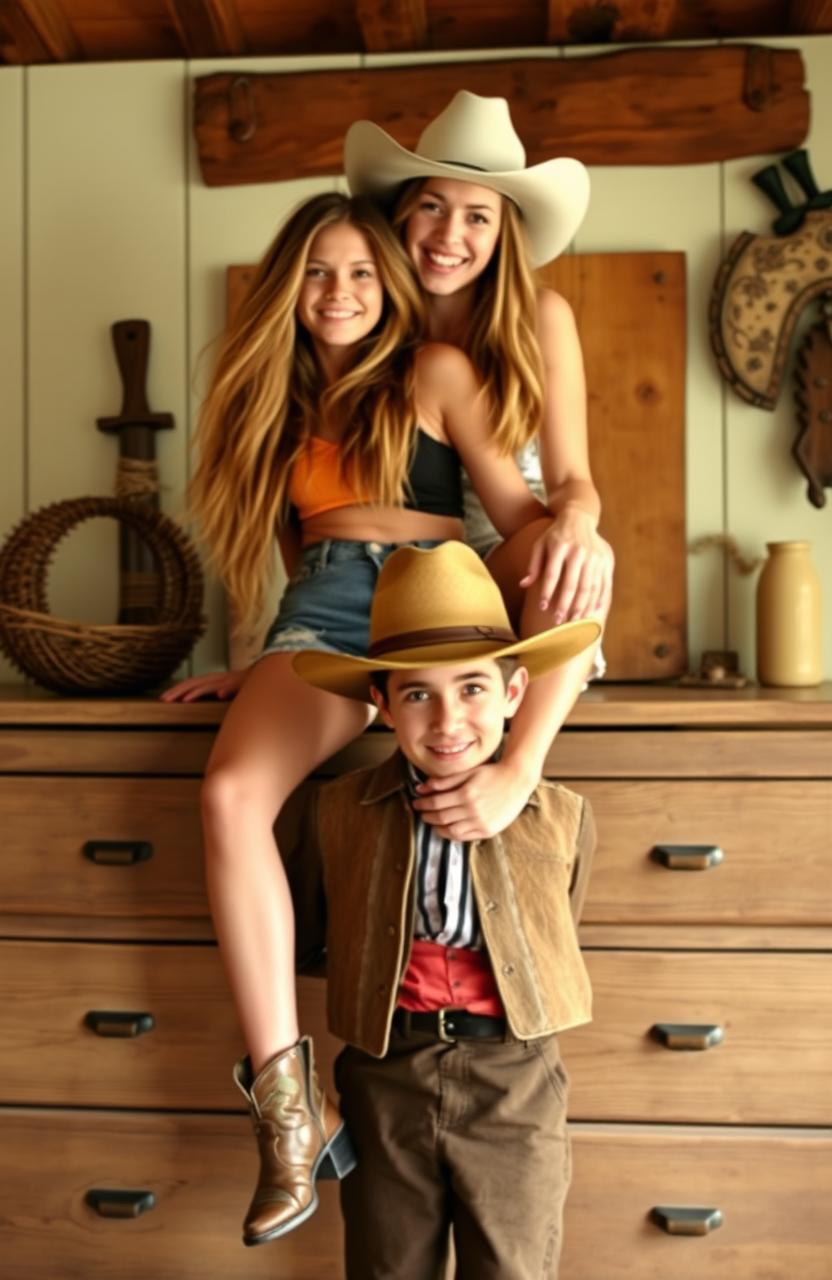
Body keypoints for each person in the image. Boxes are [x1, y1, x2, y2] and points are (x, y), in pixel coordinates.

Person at [161, 190, 592, 1245]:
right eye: (317, 272)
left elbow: (523, 513)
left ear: (389, 285)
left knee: (547, 604)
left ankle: (514, 767)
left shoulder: (434, 374)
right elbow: (284, 546)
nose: (341, 291)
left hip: (435, 602)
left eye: (361, 271)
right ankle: (290, 1111)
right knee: (228, 795)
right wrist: (257, 664)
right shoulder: (268, 393)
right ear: (287, 290)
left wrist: (578, 533)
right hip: (319, 613)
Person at [289, 540, 600, 1279]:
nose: (448, 719)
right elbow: (310, 934)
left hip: (514, 1080)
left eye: (472, 688)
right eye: (417, 694)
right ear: (382, 704)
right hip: (384, 1074)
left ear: (515, 694)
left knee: (514, 1264)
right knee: (386, 1264)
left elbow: (557, 926)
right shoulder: (336, 812)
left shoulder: (560, 817)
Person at [344, 90, 614, 841]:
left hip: (505, 573)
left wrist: (581, 524)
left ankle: (519, 769)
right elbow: (312, 493)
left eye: (477, 216)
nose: (449, 234)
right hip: (392, 587)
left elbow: (568, 482)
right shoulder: (365, 323)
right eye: (433, 206)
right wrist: (286, 643)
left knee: (583, 549)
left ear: (505, 232)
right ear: (402, 211)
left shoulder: (540, 317)